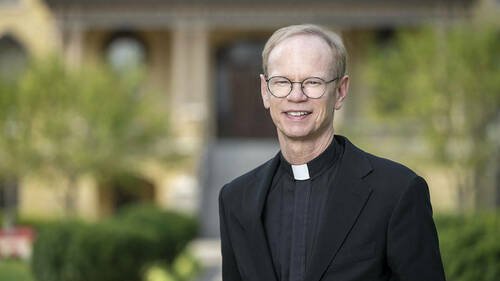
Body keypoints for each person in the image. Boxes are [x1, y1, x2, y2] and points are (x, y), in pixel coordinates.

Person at [218, 24, 446, 281]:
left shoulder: (397, 191)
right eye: (282, 82)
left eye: (313, 82)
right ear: (265, 91)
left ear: (340, 91)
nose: (296, 96)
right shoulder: (236, 199)